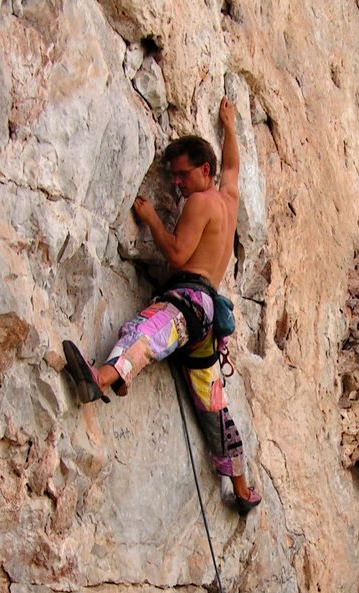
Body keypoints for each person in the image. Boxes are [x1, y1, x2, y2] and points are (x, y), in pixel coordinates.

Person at [62, 97, 261, 513]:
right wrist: (229, 123)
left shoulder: (202, 202)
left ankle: (100, 378)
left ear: (201, 171)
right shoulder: (227, 200)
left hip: (188, 300)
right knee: (214, 402)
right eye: (174, 177)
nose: (177, 184)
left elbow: (177, 253)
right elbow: (232, 168)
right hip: (208, 319)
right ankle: (242, 488)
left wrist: (152, 217)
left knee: (147, 331)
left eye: (183, 175)